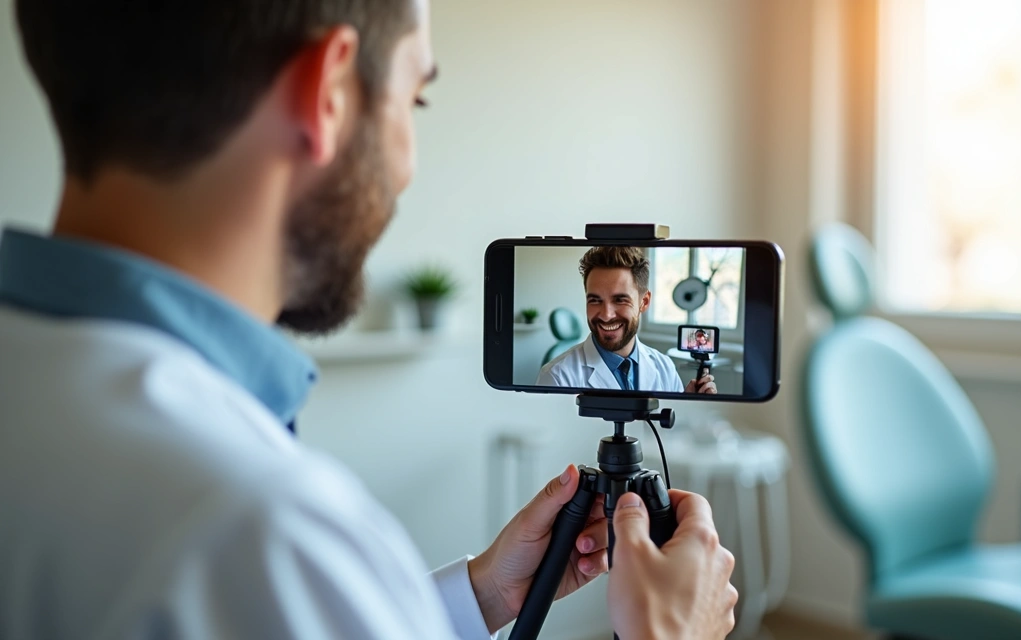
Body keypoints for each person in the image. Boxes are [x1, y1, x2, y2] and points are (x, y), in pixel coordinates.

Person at [0, 1, 737, 638]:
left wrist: (480, 595)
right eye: (414, 100)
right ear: (327, 91)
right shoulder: (254, 531)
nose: (408, 162)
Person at [537, 247, 718, 394]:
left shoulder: (664, 368)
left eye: (620, 300)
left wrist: (688, 407)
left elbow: (668, 437)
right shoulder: (557, 377)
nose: (606, 315)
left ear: (644, 302)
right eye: (595, 300)